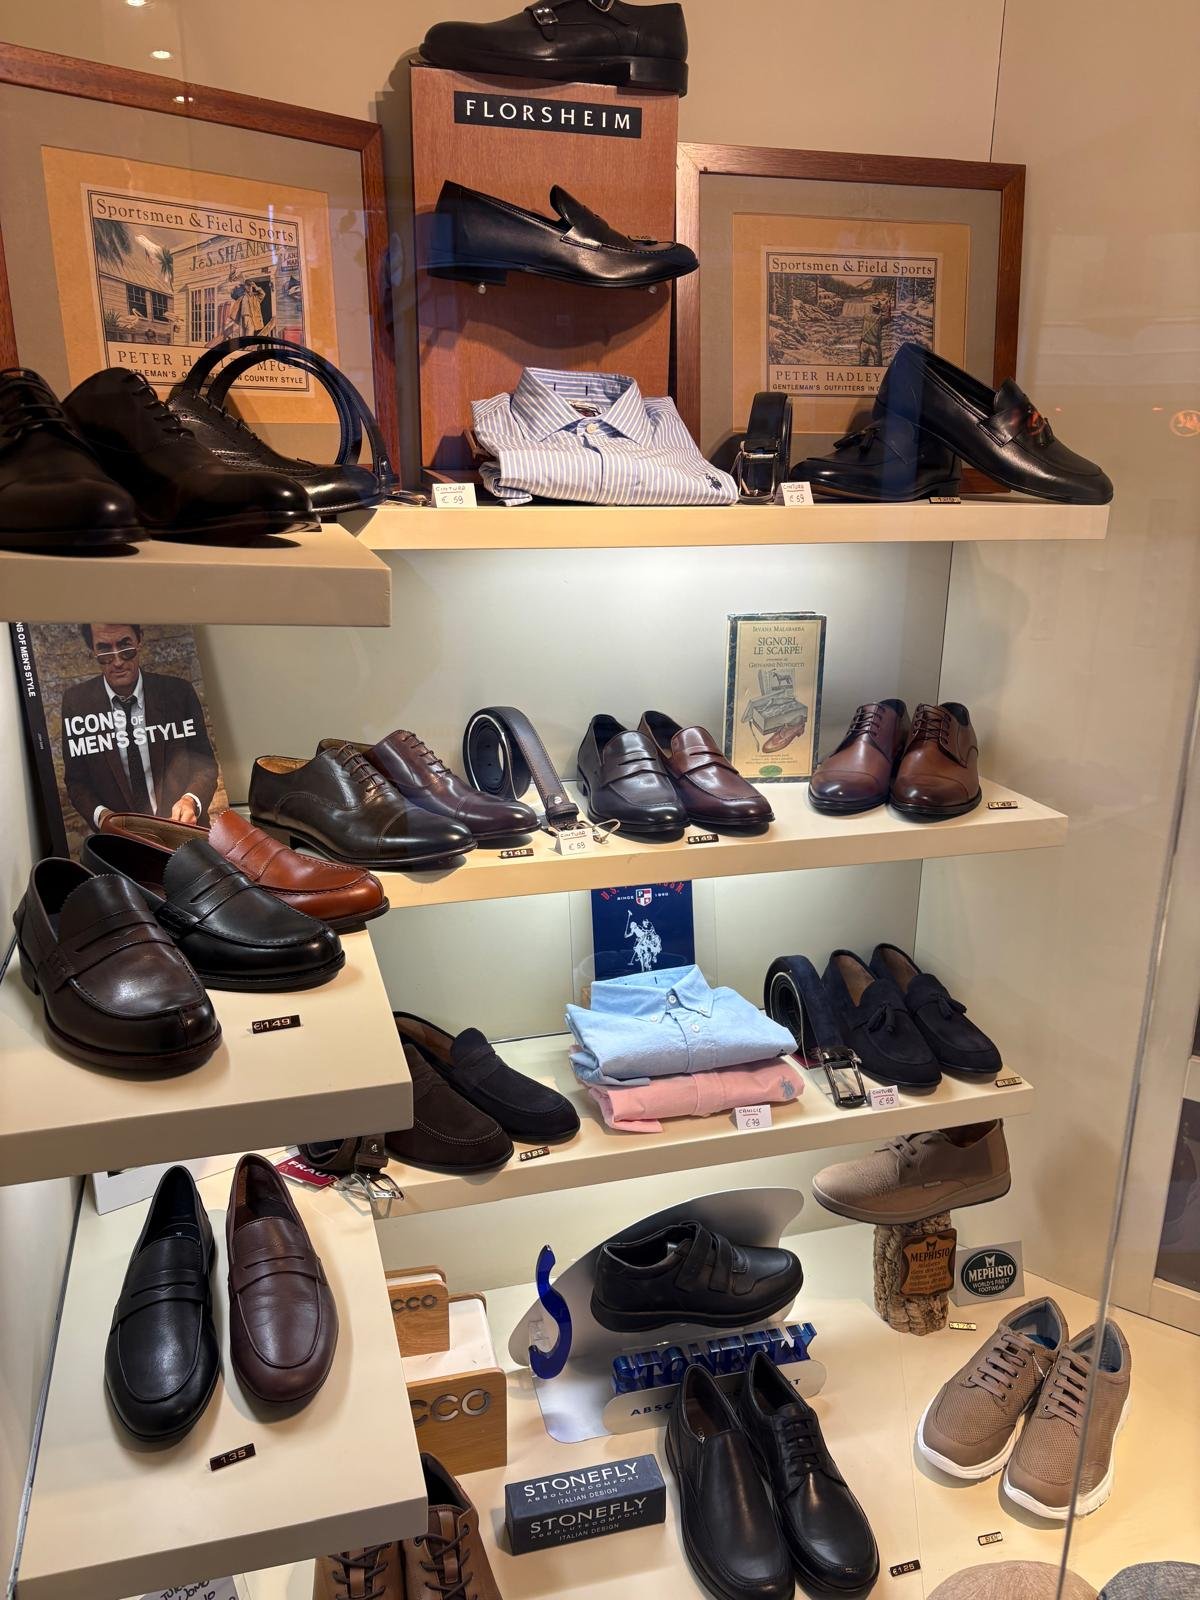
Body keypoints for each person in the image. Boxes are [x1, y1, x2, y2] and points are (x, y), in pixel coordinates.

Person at [61, 623, 219, 830]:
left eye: (125, 647)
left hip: (184, 833)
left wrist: (190, 801)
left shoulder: (179, 693)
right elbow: (77, 782)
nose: (118, 661)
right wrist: (103, 817)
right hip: (120, 841)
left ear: (139, 641)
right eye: (105, 650)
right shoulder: (76, 704)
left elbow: (205, 765)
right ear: (93, 651)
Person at [858, 297, 891, 368]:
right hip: (874, 344)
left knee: (862, 363)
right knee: (877, 364)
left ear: (872, 308)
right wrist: (888, 307)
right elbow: (888, 319)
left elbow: (874, 317)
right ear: (879, 309)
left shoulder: (866, 316)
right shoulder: (880, 319)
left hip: (864, 343)